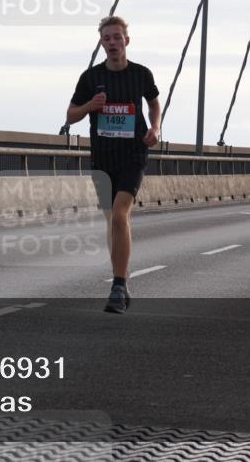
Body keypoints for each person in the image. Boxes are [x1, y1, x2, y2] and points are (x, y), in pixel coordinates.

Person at [68, 16, 160, 314]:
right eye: (107, 38)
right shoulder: (90, 78)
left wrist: (155, 128)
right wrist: (89, 107)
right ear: (102, 43)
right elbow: (71, 115)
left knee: (120, 214)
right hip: (103, 157)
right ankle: (121, 278)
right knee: (113, 221)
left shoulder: (141, 74)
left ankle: (118, 284)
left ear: (126, 41)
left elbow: (154, 102)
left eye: (117, 37)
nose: (112, 43)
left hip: (133, 154)